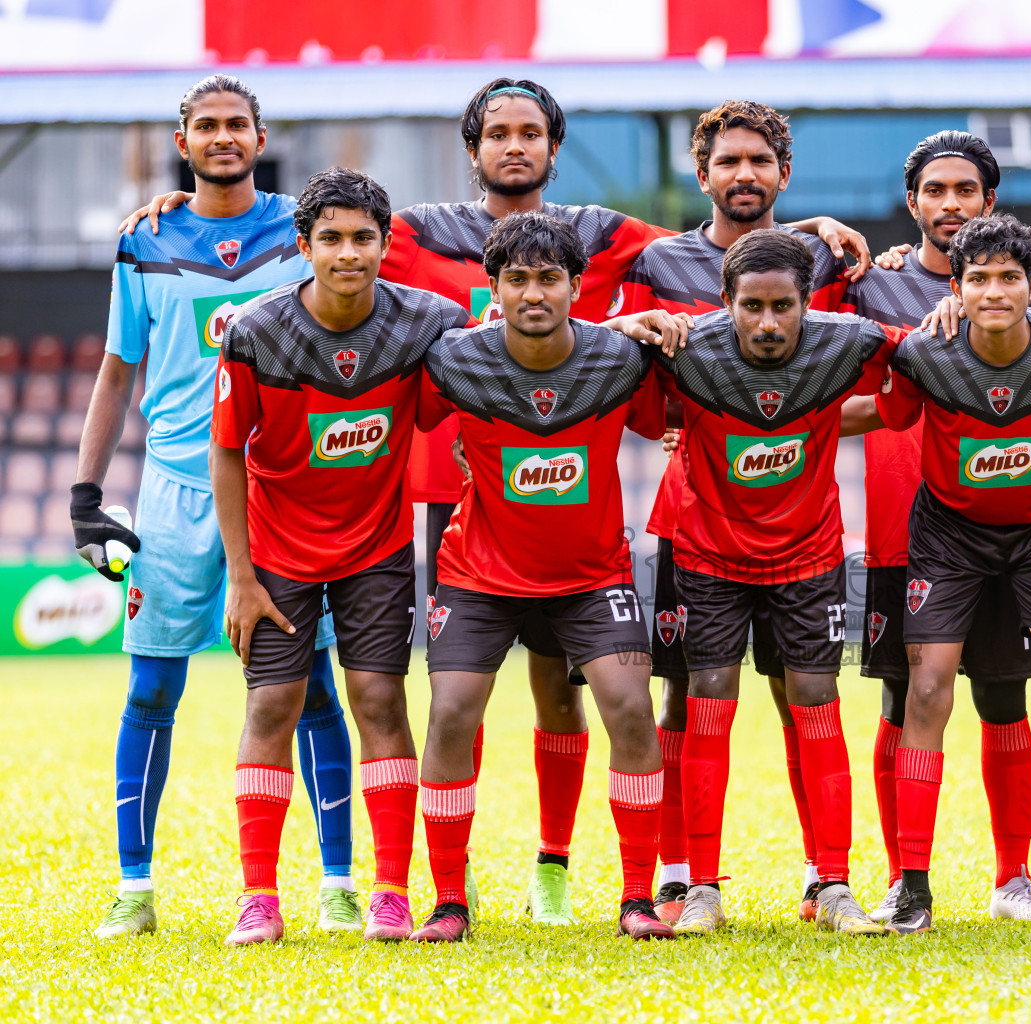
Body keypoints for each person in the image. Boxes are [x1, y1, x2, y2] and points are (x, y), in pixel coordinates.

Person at [121, 80, 872, 927]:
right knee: (452, 699)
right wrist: (197, 197)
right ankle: (449, 881)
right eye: (499, 134)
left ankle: (558, 866)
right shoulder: (410, 233)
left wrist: (799, 232)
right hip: (456, 501)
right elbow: (319, 226)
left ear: (555, 146)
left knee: (569, 692)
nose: (515, 147)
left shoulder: (599, 236)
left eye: (531, 134)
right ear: (472, 147)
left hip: (574, 528)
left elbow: (720, 241)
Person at [77, 75, 357, 940]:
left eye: (237, 124)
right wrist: (87, 497)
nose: (223, 137)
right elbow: (119, 371)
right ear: (183, 140)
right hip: (171, 493)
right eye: (207, 126)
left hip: (278, 491)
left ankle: (339, 883)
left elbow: (379, 234)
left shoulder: (301, 229)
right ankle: (135, 887)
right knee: (151, 686)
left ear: (262, 136)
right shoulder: (147, 241)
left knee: (307, 686)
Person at [843, 214, 1031, 936]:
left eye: (1010, 277)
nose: (995, 290)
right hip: (947, 539)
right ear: (956, 287)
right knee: (928, 693)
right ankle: (911, 889)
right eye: (979, 278)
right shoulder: (924, 355)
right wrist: (773, 420)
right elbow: (876, 412)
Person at [617, 100, 867, 922]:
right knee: (687, 695)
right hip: (697, 516)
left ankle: (824, 876)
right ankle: (687, 877)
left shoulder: (823, 261)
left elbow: (851, 368)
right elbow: (621, 362)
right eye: (729, 163)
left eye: (760, 162)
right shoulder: (658, 263)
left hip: (800, 523)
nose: (745, 175)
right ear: (704, 176)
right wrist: (696, 425)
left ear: (784, 175)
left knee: (808, 695)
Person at [411, 211, 690, 942]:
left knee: (630, 708)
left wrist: (650, 327)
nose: (533, 293)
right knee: (449, 715)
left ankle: (635, 898)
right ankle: (447, 900)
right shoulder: (455, 361)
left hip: (592, 575)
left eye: (549, 278)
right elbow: (401, 411)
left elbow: (668, 415)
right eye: (517, 279)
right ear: (494, 290)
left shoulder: (620, 360)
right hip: (478, 572)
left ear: (575, 286)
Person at [209, 168, 471, 945]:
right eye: (331, 239)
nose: (348, 253)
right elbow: (226, 452)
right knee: (271, 707)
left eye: (363, 238)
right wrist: (242, 576)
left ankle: (390, 891)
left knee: (380, 704)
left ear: (387, 245)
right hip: (278, 550)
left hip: (378, 549)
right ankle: (259, 899)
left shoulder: (430, 322)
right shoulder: (255, 332)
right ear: (304, 246)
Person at [837, 131, 1031, 924]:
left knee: (1005, 698)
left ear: (989, 202)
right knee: (901, 702)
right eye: (937, 191)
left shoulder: (1023, 290)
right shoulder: (872, 291)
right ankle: (904, 877)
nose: (952, 203)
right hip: (902, 531)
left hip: (1000, 533)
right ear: (913, 204)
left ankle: (1014, 878)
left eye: (967, 190)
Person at [652, 229, 896, 937]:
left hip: (809, 558)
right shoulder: (687, 347)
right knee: (707, 702)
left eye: (782, 306)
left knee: (816, 701)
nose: (767, 322)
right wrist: (630, 324)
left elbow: (910, 365)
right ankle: (700, 888)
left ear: (806, 303)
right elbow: (609, 369)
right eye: (751, 306)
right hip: (708, 557)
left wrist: (946, 315)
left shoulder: (847, 341)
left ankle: (836, 884)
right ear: (723, 302)